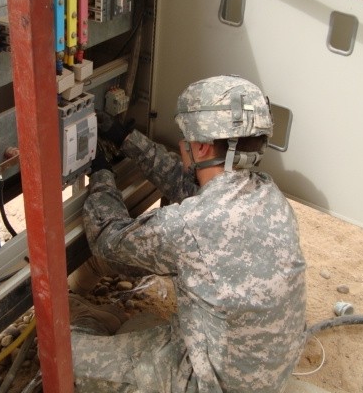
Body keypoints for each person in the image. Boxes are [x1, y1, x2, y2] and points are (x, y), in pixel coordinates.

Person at [69, 75, 307, 392]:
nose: (182, 143)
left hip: (204, 383)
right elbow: (189, 186)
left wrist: (100, 172)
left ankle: (91, 322)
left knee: (62, 355)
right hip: (258, 375)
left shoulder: (192, 226)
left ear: (202, 146)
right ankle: (112, 326)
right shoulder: (267, 193)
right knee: (142, 325)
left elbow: (107, 240)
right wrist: (127, 138)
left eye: (186, 137)